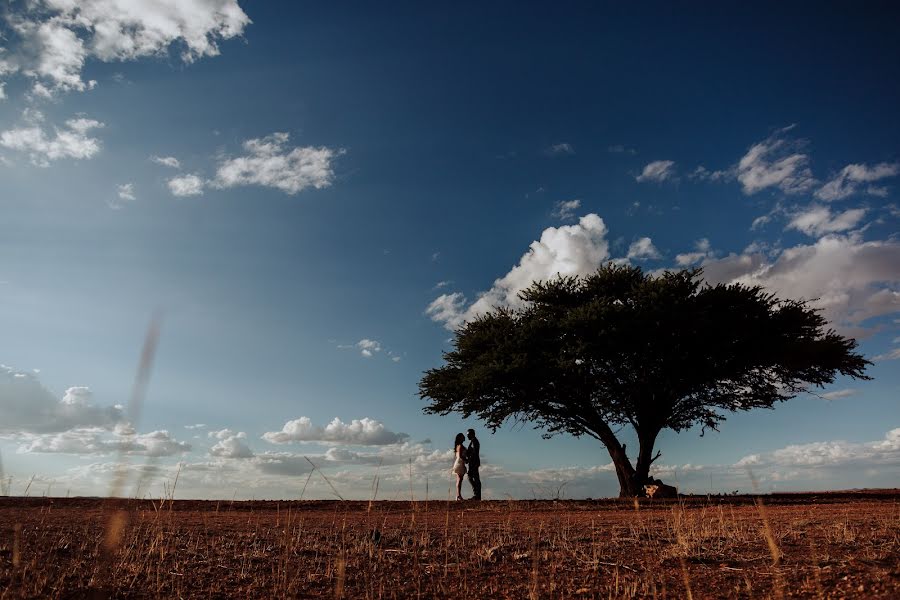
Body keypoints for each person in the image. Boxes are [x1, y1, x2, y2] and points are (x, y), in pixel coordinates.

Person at [451, 433, 467, 501]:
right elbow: (460, 456)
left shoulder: (459, 445)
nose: (464, 437)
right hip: (460, 463)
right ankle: (458, 495)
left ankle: (458, 495)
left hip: (460, 463)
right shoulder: (460, 446)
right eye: (463, 436)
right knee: (459, 479)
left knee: (459, 479)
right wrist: (466, 460)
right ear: (460, 438)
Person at [466, 428, 481, 500]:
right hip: (473, 462)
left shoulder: (474, 441)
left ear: (472, 434)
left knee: (472, 477)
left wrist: (469, 459)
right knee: (473, 478)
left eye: (468, 434)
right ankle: (477, 495)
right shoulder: (473, 441)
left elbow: (474, 453)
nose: (467, 436)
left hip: (473, 462)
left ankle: (477, 495)